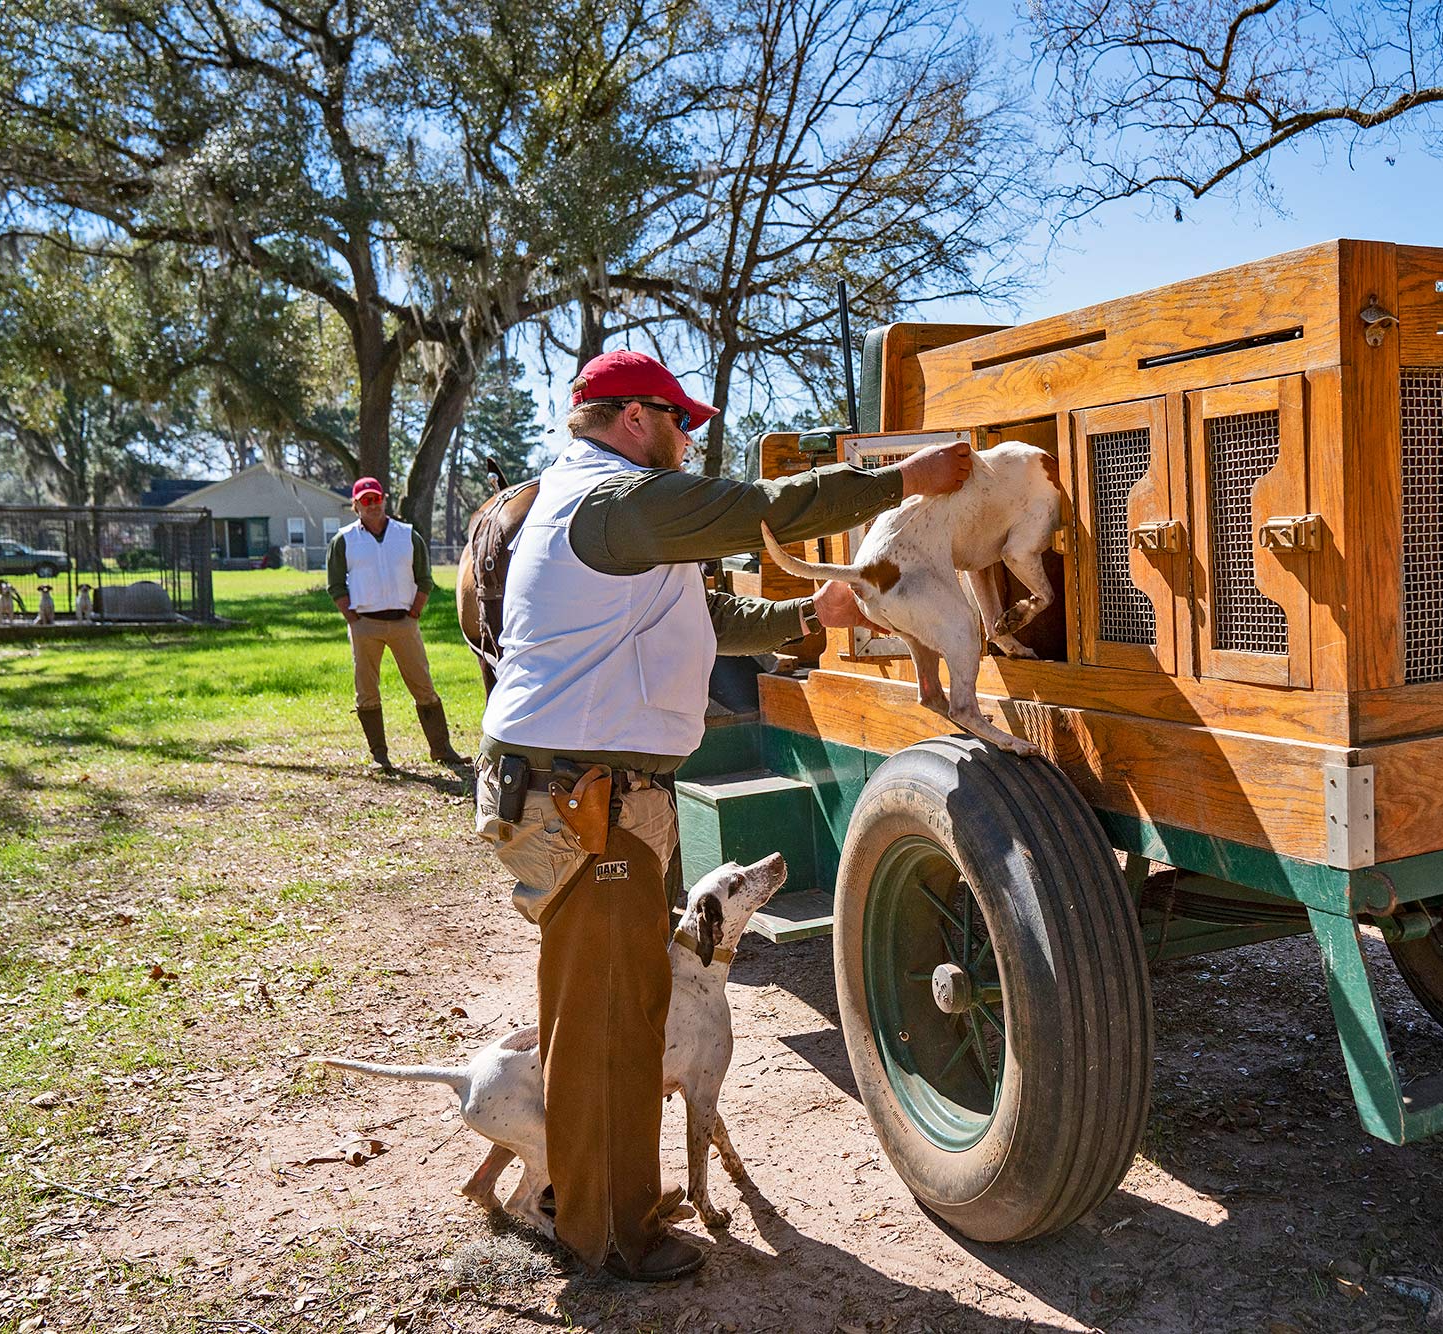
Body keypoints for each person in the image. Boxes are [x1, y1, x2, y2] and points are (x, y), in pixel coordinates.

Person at [476, 349, 970, 1282]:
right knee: (611, 1021)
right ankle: (609, 1233)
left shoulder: (603, 510)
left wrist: (807, 612)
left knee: (608, 1009)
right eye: (680, 421)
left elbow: (697, 620)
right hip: (587, 802)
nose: (689, 436)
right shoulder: (620, 501)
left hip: (592, 798)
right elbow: (769, 511)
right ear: (634, 419)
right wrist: (904, 479)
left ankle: (595, 1197)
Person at [327, 476, 469, 770]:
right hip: (364, 623)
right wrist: (353, 619)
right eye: (366, 500)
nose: (372, 504)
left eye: (376, 498)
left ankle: (442, 749)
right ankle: (380, 756)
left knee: (423, 686)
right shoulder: (344, 540)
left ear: (384, 499)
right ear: (355, 505)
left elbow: (424, 579)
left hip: (404, 622)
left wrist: (414, 613)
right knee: (366, 689)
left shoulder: (407, 535)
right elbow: (336, 585)